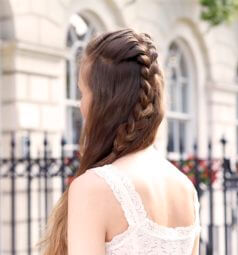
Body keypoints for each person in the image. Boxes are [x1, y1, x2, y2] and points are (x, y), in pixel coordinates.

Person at [37, 28, 201, 255]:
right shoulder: (185, 189)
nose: (80, 105)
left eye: (83, 93)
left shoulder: (94, 188)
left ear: (104, 102)